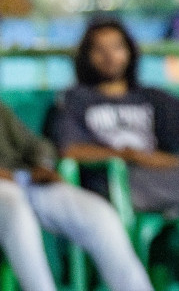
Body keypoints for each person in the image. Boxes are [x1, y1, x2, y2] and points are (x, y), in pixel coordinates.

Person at [52, 19, 179, 291]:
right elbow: (69, 149)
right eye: (100, 49)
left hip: (161, 180)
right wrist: (131, 156)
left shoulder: (149, 97)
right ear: (86, 56)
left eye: (117, 47)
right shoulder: (75, 100)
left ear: (130, 52)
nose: (110, 56)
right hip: (112, 185)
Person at [0, 99, 153, 291]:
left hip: (28, 181)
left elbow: (37, 145)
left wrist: (42, 165)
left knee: (99, 213)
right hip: (7, 192)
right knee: (17, 213)